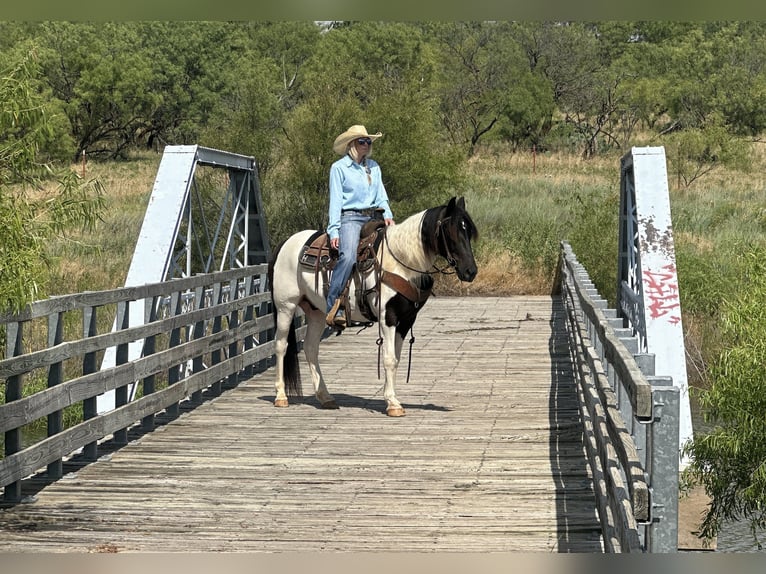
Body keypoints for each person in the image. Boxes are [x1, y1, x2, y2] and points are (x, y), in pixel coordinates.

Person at [325, 125, 395, 329]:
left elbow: (381, 195)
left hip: (374, 216)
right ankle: (334, 306)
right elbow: (336, 201)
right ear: (351, 145)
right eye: (362, 141)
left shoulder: (374, 166)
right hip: (350, 218)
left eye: (368, 142)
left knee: (394, 249)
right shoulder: (339, 168)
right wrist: (334, 230)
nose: (366, 145)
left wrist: (388, 216)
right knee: (347, 257)